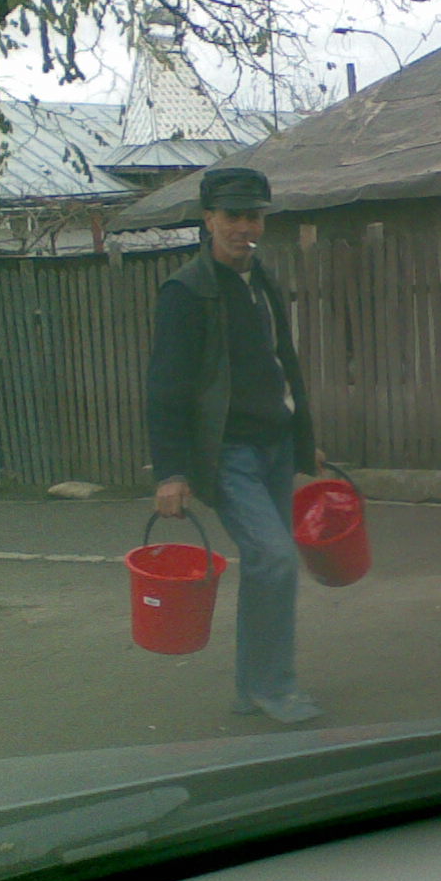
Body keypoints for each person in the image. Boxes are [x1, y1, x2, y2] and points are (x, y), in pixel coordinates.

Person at [146, 165, 325, 724]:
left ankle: (254, 688)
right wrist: (172, 471)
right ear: (209, 220)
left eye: (254, 216)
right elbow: (166, 387)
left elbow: (282, 365)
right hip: (227, 453)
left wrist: (303, 440)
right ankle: (276, 688)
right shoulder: (186, 292)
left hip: (273, 445)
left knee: (265, 566)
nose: (245, 226)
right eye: (233, 216)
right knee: (274, 559)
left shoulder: (262, 280)